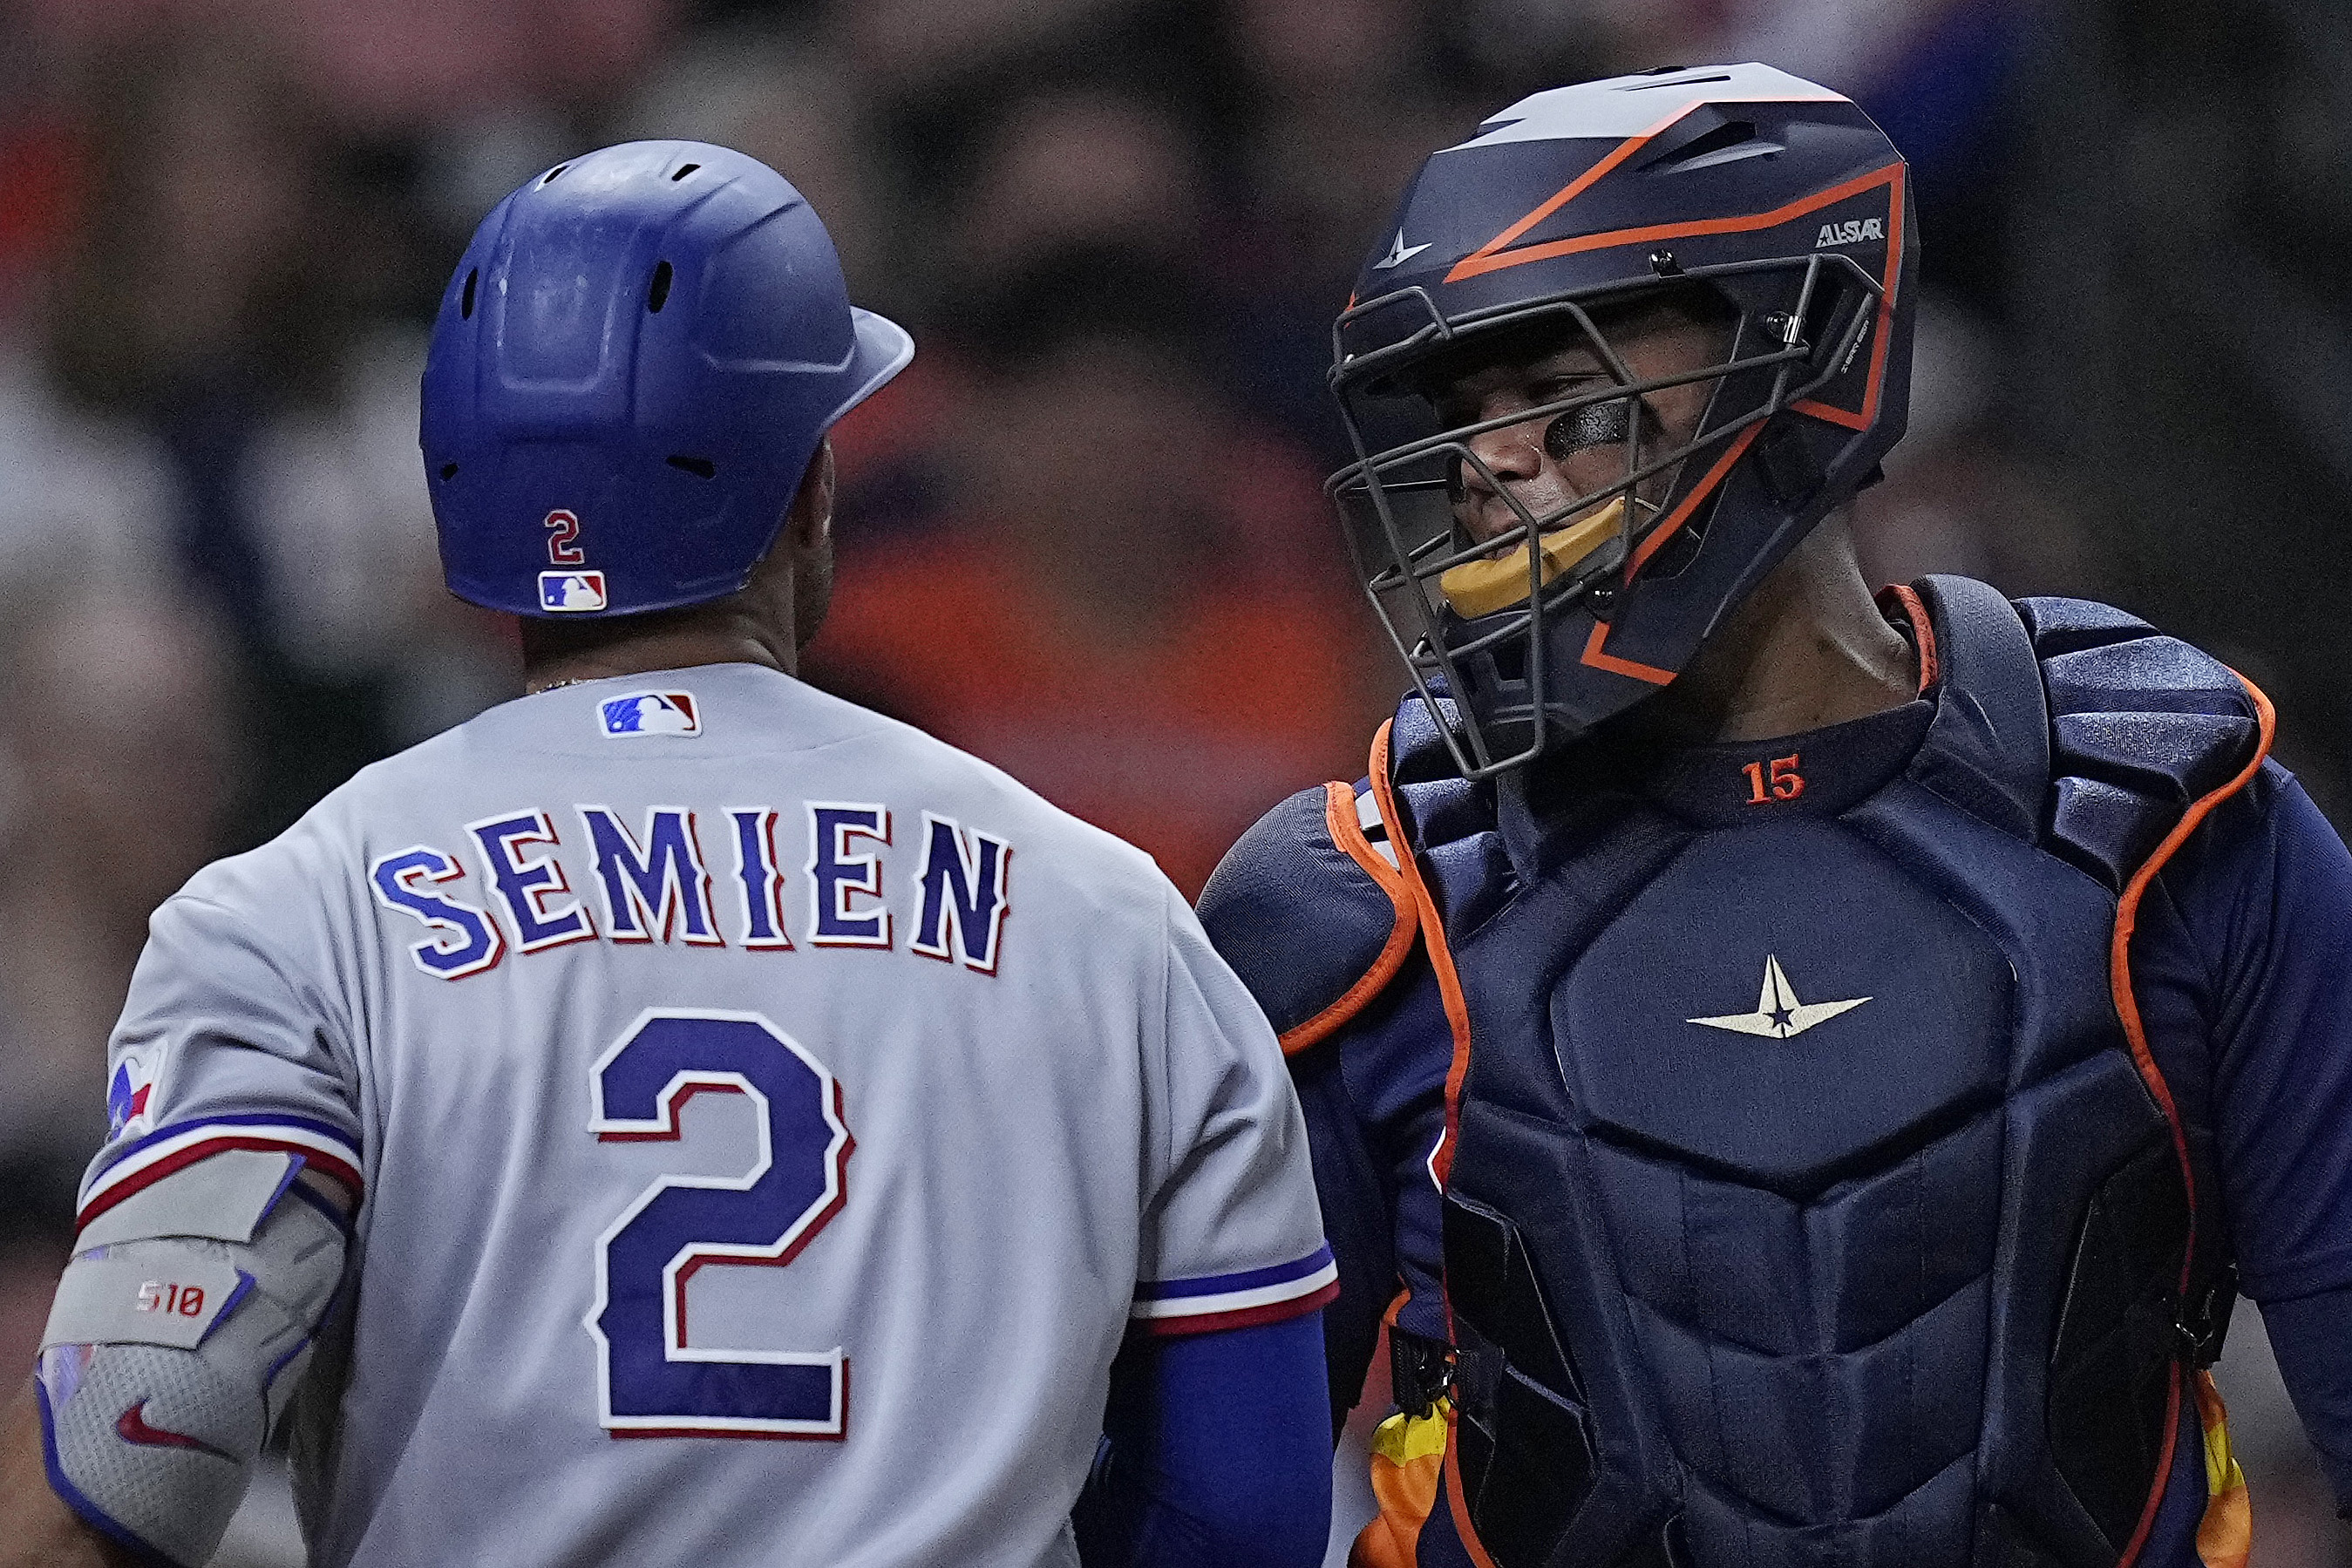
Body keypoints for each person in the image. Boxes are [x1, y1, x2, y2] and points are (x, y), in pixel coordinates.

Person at [0, 140, 1336, 1568]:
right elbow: (1240, 1511)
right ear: (812, 488)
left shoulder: (292, 910)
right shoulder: (1109, 913)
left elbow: (126, 1462)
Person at [1197, 64, 2352, 1568]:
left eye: (1562, 393)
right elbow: (1205, 1508)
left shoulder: (2175, 825)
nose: (1492, 472)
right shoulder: (1355, 896)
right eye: (1469, 420)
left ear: (1799, 341)